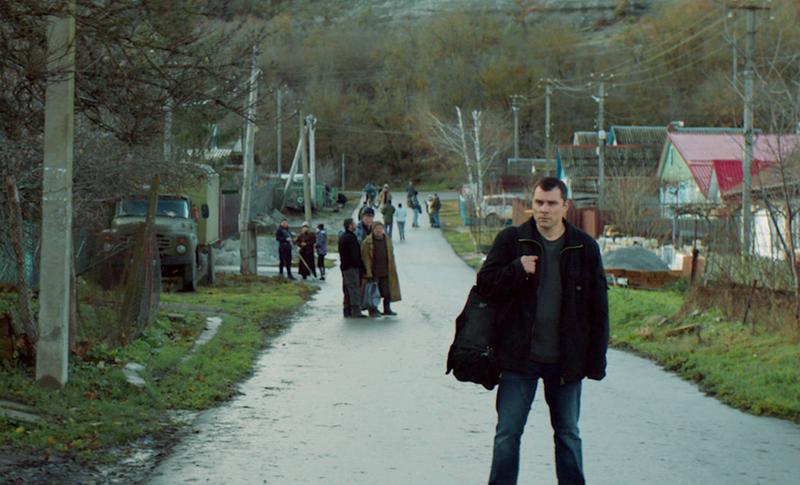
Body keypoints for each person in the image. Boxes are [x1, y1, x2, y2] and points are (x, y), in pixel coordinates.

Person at [476, 177, 609, 485]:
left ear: (565, 206)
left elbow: (598, 309)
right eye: (538, 202)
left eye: (551, 203)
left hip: (565, 361)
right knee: (507, 433)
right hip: (518, 358)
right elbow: (485, 284)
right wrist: (516, 269)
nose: (544, 209)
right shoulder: (512, 241)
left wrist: (595, 361)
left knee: (568, 434)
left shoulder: (585, 247)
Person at [361, 222, 401, 317]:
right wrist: (368, 272)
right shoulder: (367, 242)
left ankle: (387, 309)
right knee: (373, 292)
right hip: (374, 272)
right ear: (373, 230)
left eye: (380, 228)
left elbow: (391, 255)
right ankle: (373, 310)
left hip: (387, 271)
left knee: (387, 292)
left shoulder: (387, 240)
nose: (379, 230)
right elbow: (365, 258)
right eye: (377, 228)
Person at [338, 218, 366, 318]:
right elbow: (354, 255)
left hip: (345, 267)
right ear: (350, 225)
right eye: (354, 224)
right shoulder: (350, 238)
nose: (355, 225)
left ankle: (347, 309)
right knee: (354, 288)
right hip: (351, 268)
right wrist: (360, 265)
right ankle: (355, 310)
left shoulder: (344, 237)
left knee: (347, 288)